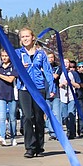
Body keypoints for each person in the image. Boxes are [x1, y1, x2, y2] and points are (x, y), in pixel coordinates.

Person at [15, 28, 54, 158]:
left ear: (33, 37)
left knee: (38, 118)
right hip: (24, 88)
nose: (25, 39)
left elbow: (48, 71)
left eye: (27, 36)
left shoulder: (41, 54)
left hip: (38, 88)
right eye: (22, 37)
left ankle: (39, 145)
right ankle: (30, 147)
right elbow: (13, 70)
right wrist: (20, 69)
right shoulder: (17, 53)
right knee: (27, 117)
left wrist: (52, 88)